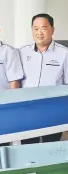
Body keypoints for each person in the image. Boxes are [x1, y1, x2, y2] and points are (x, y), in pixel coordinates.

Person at [19, 13, 68, 144]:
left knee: (50, 148)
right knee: (28, 147)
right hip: (27, 111)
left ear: (52, 29)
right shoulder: (22, 52)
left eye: (44, 28)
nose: (39, 32)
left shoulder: (64, 53)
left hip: (53, 111)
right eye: (35, 28)